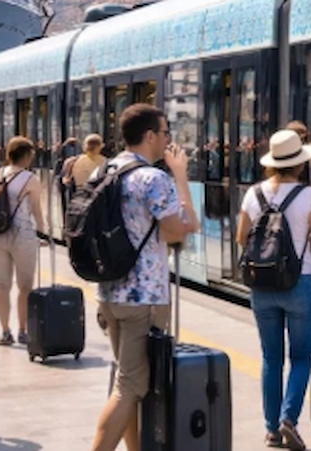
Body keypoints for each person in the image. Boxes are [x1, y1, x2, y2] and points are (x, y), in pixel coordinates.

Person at [91, 104, 199, 451]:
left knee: (126, 380)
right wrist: (180, 176)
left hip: (109, 293)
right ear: (150, 135)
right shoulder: (153, 178)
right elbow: (180, 229)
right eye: (166, 133)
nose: (168, 140)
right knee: (130, 387)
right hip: (144, 298)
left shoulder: (105, 170)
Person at [237, 129, 311, 449]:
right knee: (302, 357)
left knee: (271, 358)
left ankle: (271, 429)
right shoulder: (310, 195)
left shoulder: (254, 194)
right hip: (300, 282)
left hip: (262, 285)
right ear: (300, 163)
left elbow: (241, 237)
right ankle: (288, 419)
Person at [0, 137, 47, 346]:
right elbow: (36, 211)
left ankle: (4, 331)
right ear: (26, 155)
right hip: (22, 236)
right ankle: (22, 331)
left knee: (2, 286)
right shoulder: (30, 179)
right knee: (25, 286)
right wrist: (43, 234)